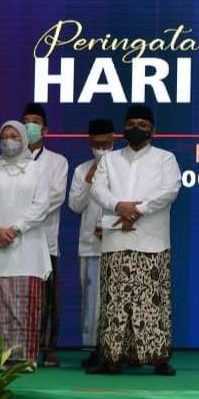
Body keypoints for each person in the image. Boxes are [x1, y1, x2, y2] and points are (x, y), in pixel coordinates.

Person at [89, 105, 181, 375]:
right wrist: (119, 206)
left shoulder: (166, 159)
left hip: (151, 241)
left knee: (151, 302)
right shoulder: (109, 160)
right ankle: (112, 358)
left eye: (143, 123)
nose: (137, 128)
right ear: (123, 128)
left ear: (153, 129)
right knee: (114, 302)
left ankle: (158, 359)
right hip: (117, 239)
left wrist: (137, 210)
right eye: (131, 123)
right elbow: (97, 189)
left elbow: (170, 191)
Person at [0, 121, 51, 362]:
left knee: (25, 305)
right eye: (4, 136)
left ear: (24, 139)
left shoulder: (37, 169)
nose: (9, 140)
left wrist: (15, 230)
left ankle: (25, 359)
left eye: (14, 136)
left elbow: (41, 205)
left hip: (27, 248)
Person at [21, 102, 68, 367]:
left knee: (49, 299)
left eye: (35, 121)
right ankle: (20, 347)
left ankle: (49, 348)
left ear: (45, 129)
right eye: (25, 121)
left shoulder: (57, 162)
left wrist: (22, 216)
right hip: (14, 241)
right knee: (20, 297)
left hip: (45, 240)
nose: (30, 126)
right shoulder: (8, 160)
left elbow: (55, 198)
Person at [68, 118, 115, 368]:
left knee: (115, 300)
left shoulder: (123, 167)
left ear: (114, 140)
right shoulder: (81, 170)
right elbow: (75, 206)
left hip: (118, 244)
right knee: (91, 303)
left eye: (106, 143)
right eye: (97, 144)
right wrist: (90, 177)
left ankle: (117, 350)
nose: (101, 148)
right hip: (89, 245)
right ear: (89, 143)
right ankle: (95, 349)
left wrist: (109, 227)